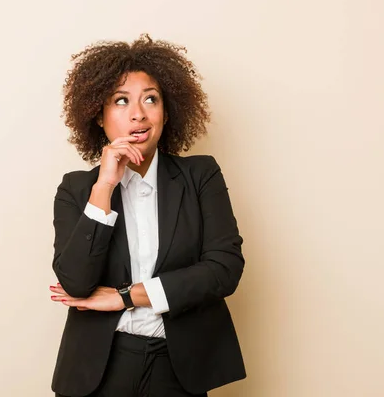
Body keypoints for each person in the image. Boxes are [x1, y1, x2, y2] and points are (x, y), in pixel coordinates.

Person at [49, 34, 246, 397]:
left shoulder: (201, 175)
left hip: (179, 367)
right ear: (98, 114)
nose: (138, 113)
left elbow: (224, 269)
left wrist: (126, 296)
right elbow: (76, 283)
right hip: (99, 370)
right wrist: (105, 185)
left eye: (150, 99)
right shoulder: (77, 189)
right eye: (120, 101)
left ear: (166, 112)